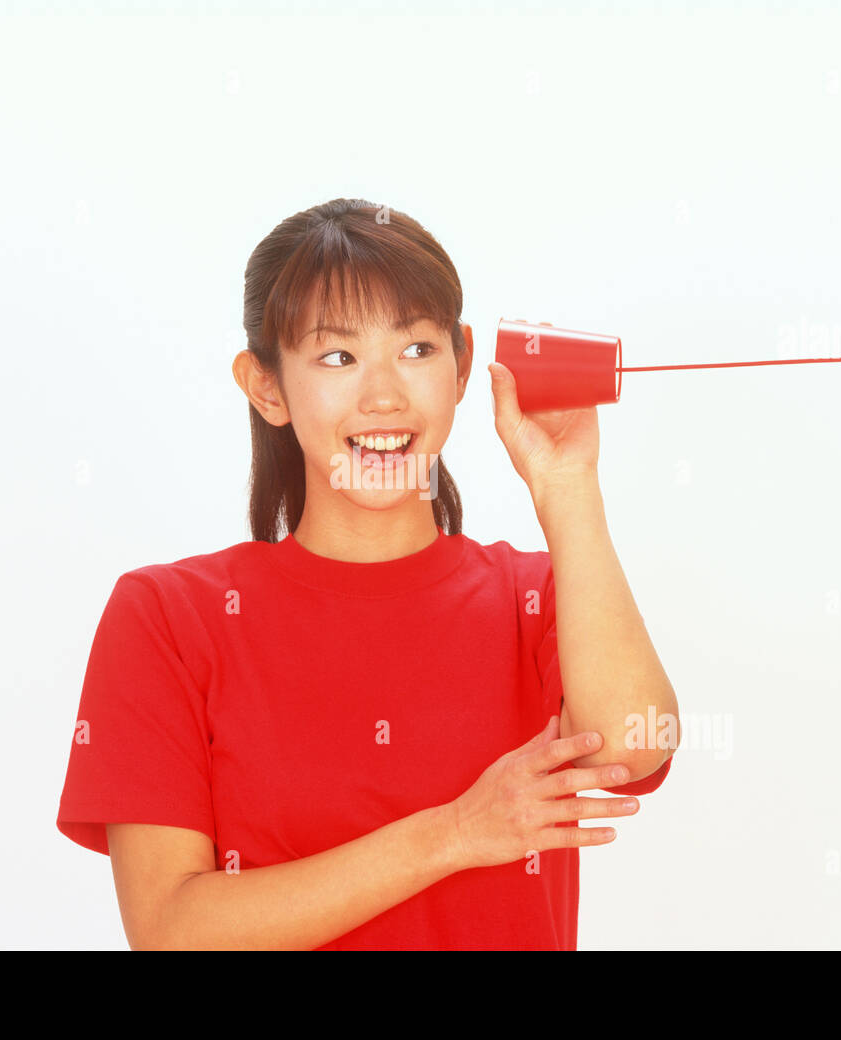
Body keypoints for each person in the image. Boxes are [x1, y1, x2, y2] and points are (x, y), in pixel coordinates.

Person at [55, 198, 680, 950]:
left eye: (416, 349)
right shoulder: (168, 616)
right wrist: (453, 833)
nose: (384, 396)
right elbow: (171, 931)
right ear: (267, 388)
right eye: (337, 357)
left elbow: (631, 748)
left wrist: (566, 486)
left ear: (461, 367)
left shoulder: (538, 599)